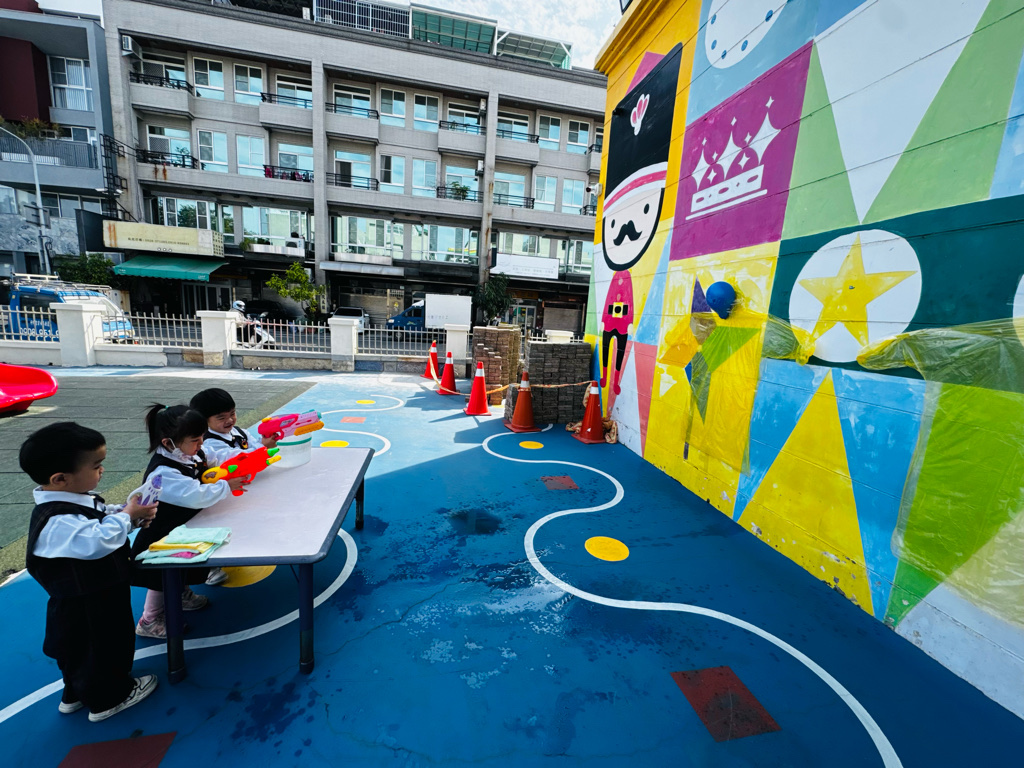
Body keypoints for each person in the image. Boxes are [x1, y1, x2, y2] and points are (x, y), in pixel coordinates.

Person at [20, 422, 160, 722]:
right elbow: (96, 541)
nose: (102, 471)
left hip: (94, 593)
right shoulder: (55, 521)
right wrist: (127, 517)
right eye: (96, 466)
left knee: (81, 650)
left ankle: (75, 693)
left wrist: (129, 515)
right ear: (60, 479)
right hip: (88, 599)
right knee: (103, 646)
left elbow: (99, 518)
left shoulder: (71, 501)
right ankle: (110, 698)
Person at [132, 404, 243, 639]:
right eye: (195, 440)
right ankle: (150, 620)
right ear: (168, 443)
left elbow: (216, 456)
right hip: (161, 535)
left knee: (182, 567)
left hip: (182, 528)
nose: (201, 443)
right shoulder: (163, 473)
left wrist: (247, 456)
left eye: (202, 437)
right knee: (161, 578)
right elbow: (195, 495)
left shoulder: (191, 453)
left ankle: (181, 595)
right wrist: (225, 486)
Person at [188, 388, 277, 587]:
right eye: (221, 417)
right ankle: (210, 566)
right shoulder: (209, 442)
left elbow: (253, 447)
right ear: (204, 421)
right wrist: (263, 448)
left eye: (232, 413)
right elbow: (236, 458)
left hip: (244, 487)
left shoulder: (239, 432)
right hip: (223, 493)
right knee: (217, 524)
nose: (230, 420)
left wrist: (264, 444)